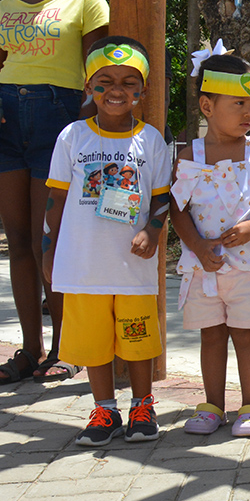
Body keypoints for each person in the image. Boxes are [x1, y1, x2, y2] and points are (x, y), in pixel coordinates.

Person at [0, 0, 109, 384]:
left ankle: (66, 349)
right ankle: (29, 350)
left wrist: (81, 128)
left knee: (47, 240)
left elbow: (96, 76)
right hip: (5, 121)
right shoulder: (2, 9)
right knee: (18, 243)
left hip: (58, 119)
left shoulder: (87, 1)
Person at [43, 37, 171, 445]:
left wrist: (152, 230)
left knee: (138, 340)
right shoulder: (72, 137)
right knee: (93, 344)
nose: (117, 90)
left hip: (132, 267)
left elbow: (162, 197)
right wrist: (49, 251)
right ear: (89, 86)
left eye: (128, 82)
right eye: (106, 81)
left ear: (142, 90)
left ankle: (142, 406)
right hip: (83, 265)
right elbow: (55, 199)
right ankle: (105, 410)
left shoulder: (151, 140)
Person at [170, 49, 250, 437]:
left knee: (246, 335)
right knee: (211, 335)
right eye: (239, 103)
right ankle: (212, 406)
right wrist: (197, 245)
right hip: (204, 269)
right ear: (207, 105)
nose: (249, 113)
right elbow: (176, 208)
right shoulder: (190, 156)